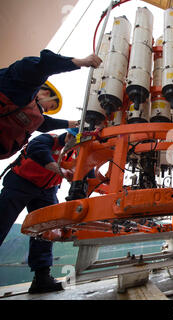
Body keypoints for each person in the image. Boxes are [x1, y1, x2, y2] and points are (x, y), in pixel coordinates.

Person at [0, 128, 78, 293]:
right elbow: (39, 153)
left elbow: (86, 172)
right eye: (74, 138)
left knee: (46, 230)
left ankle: (41, 278)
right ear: (69, 135)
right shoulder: (47, 139)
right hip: (20, 184)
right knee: (2, 222)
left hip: (47, 191)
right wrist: (62, 171)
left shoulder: (77, 153)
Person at [0, 49, 102, 159]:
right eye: (52, 106)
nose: (48, 111)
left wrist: (79, 123)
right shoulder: (20, 86)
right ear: (47, 93)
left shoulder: (28, 111)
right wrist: (82, 62)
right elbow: (43, 64)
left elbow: (46, 124)